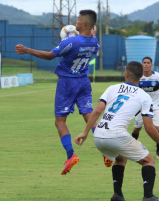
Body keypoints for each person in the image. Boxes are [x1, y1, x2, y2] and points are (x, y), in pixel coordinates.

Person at [15, 10, 100, 175]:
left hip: (67, 82)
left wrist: (26, 50)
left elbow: (49, 56)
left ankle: (71, 155)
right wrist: (92, 34)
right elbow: (92, 40)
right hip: (84, 82)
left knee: (60, 122)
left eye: (78, 19)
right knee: (88, 117)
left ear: (84, 24)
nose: (76, 21)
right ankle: (107, 150)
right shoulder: (95, 42)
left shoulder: (71, 42)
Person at [75, 61, 159, 201]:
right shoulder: (144, 96)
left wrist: (85, 132)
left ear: (126, 74)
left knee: (120, 158)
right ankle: (148, 197)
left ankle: (117, 195)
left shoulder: (112, 88)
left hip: (98, 135)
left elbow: (97, 111)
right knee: (149, 161)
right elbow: (149, 128)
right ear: (141, 77)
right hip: (116, 135)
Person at [132, 57, 159, 159]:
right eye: (144, 63)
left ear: (151, 65)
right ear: (142, 65)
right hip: (142, 106)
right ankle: (131, 148)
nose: (146, 65)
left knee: (158, 129)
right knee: (136, 129)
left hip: (156, 105)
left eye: (148, 63)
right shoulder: (138, 78)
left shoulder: (158, 77)